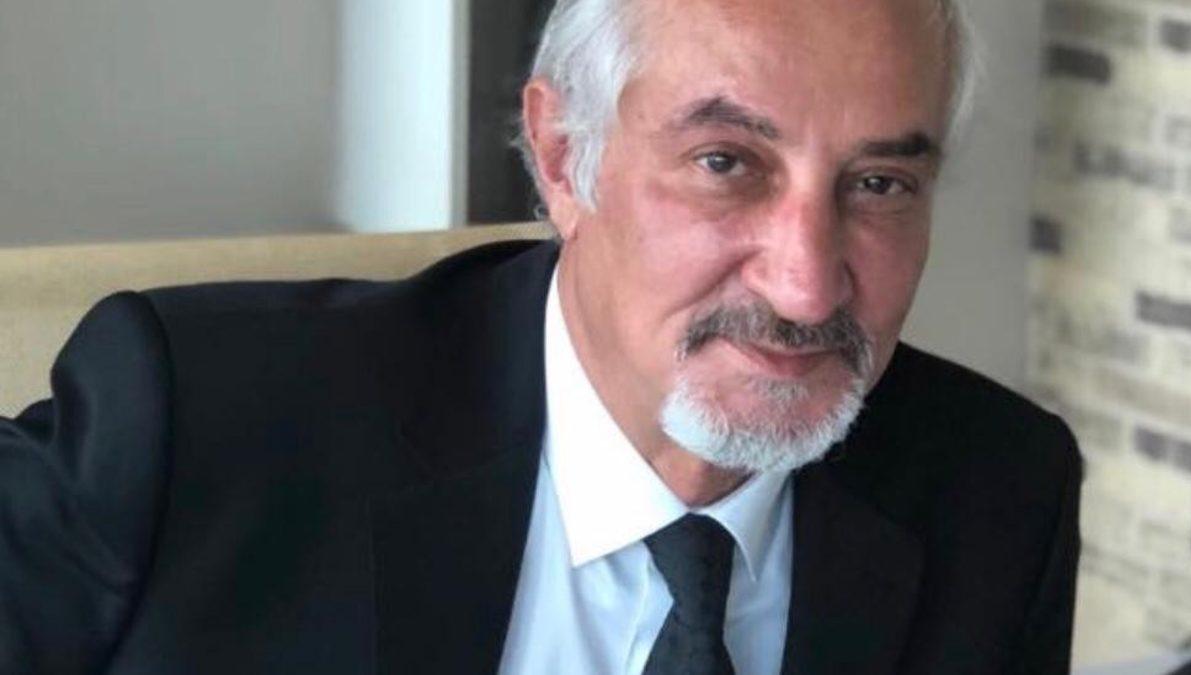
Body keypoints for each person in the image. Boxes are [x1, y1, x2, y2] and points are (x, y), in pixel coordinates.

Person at [0, 0, 1081, 673]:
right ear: (564, 157)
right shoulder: (193, 422)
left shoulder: (999, 493)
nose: (805, 286)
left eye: (880, 183)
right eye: (725, 164)